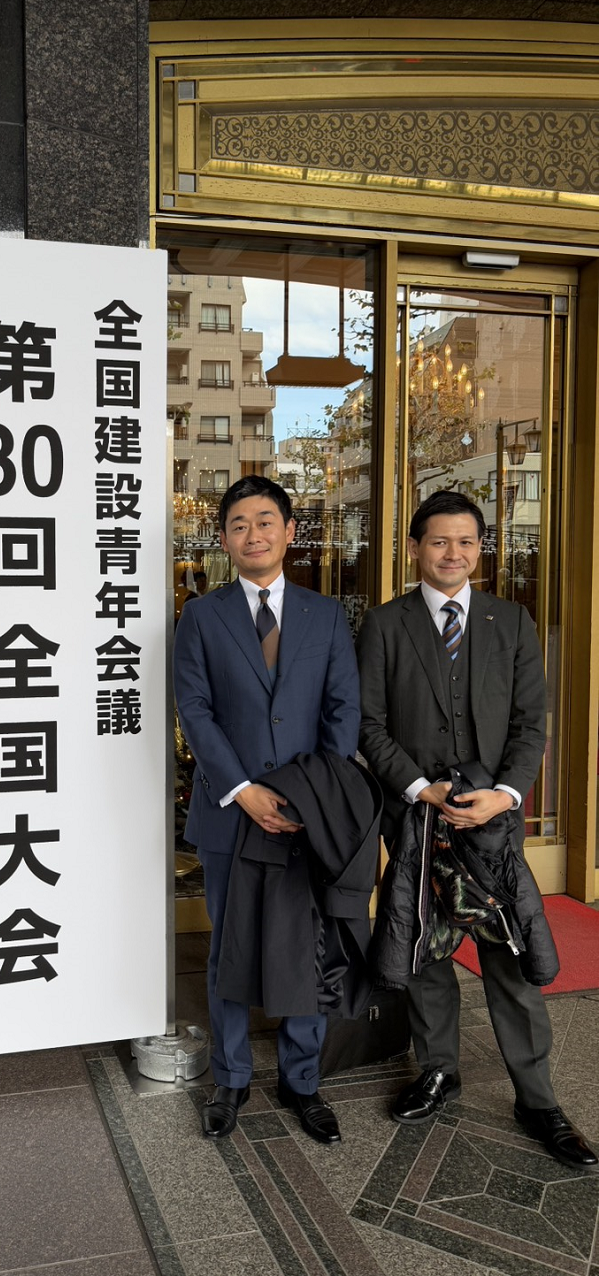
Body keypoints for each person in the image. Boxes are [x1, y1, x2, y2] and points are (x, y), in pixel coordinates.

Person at [356, 488, 597, 1171]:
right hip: (419, 818)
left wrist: (505, 795)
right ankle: (438, 1070)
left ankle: (538, 1100)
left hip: (493, 821)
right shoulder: (384, 625)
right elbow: (368, 725)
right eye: (438, 541)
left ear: (480, 549)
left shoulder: (511, 620)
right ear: (414, 548)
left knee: (509, 952)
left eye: (466, 541)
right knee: (427, 950)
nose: (452, 553)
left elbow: (530, 722)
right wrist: (419, 788)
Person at [173, 476, 360, 1143]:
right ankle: (230, 1079)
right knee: (228, 946)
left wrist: (316, 796)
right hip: (231, 811)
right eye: (239, 525)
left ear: (289, 532)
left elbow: (342, 710)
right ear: (223, 540)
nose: (253, 534)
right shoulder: (201, 616)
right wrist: (243, 789)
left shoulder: (325, 615)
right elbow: (194, 709)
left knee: (306, 946)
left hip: (306, 813)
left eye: (265, 521)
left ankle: (301, 1080)